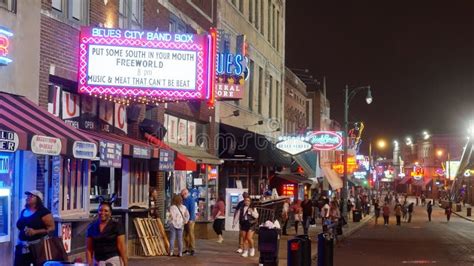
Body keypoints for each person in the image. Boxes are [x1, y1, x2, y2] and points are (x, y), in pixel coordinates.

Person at [15, 190, 55, 266]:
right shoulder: (24, 211)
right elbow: (20, 226)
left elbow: (51, 228)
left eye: (31, 196)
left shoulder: (44, 212)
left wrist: (35, 231)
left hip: (37, 248)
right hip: (22, 247)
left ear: (38, 199)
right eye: (27, 196)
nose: (28, 198)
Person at [86, 198, 128, 266]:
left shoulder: (116, 226)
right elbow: (89, 249)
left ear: (110, 213)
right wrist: (89, 263)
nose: (103, 213)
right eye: (100, 210)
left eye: (106, 211)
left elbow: (121, 247)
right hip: (98, 260)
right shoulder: (92, 227)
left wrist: (125, 263)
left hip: (113, 259)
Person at [181, 189, 196, 256]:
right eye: (182, 195)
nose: (182, 196)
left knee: (191, 234)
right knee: (185, 235)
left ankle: (192, 249)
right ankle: (187, 248)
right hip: (185, 220)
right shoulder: (183, 200)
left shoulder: (191, 200)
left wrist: (191, 219)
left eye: (183, 194)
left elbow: (192, 210)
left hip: (190, 220)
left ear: (186, 193)